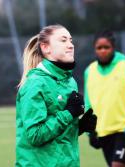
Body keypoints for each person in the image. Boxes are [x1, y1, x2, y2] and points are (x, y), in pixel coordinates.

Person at [15, 24, 97, 167]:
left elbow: (59, 136)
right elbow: (36, 135)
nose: (70, 45)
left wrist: (79, 127)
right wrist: (69, 113)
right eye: (63, 40)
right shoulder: (35, 84)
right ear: (46, 48)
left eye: (71, 40)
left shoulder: (70, 81)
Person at [84, 30, 125, 167]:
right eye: (99, 48)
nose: (103, 51)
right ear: (94, 49)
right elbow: (88, 103)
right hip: (103, 132)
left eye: (106, 47)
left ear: (113, 48)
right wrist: (89, 131)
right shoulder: (89, 71)